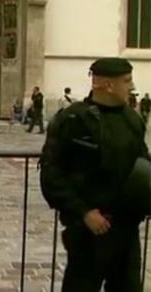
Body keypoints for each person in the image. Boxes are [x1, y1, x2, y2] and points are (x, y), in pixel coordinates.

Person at [39, 57, 148, 292]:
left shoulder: (132, 119)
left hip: (126, 230)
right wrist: (84, 212)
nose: (132, 87)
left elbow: (142, 163)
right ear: (107, 85)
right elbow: (52, 174)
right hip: (87, 231)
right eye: (126, 81)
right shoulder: (72, 119)